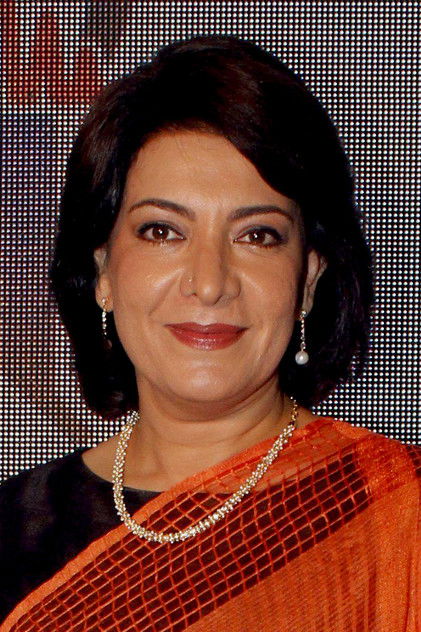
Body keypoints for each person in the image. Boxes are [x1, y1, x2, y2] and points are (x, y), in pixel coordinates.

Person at [0, 35, 419, 631]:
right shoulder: (14, 532)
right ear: (103, 273)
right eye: (162, 231)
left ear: (307, 281)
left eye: (257, 236)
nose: (209, 282)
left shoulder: (394, 512)